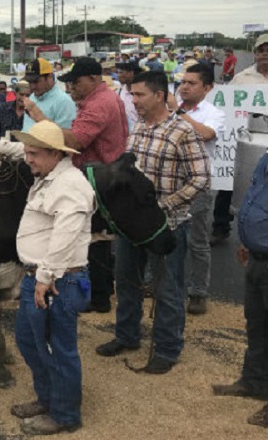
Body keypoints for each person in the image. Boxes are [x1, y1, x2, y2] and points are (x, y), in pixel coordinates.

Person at [0, 120, 94, 435]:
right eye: (27, 152)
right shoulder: (49, 171)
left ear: (55, 153)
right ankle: (48, 398)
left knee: (56, 348)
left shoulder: (71, 185)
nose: (27, 159)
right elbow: (18, 149)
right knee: (29, 340)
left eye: (34, 154)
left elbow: (65, 237)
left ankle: (65, 415)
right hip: (39, 277)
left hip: (57, 281)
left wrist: (45, 277)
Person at [95, 71, 210, 374]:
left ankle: (167, 348)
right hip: (132, 227)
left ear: (159, 95)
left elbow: (201, 178)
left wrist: (163, 206)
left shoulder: (183, 131)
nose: (133, 100)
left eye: (139, 95)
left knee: (167, 289)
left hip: (167, 226)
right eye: (131, 95)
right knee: (127, 282)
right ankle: (127, 336)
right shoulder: (138, 129)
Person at [32, 57, 128, 313]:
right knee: (98, 238)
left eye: (76, 82)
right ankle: (102, 292)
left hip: (97, 175)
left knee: (92, 238)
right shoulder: (103, 99)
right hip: (102, 173)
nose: (72, 87)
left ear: (94, 79)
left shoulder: (99, 104)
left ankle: (98, 298)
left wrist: (43, 124)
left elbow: (75, 141)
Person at [211, 150, 268, 428]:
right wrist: (248, 239)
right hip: (258, 257)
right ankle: (254, 381)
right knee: (256, 324)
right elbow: (255, 200)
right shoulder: (265, 159)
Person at [172, 63, 225, 315]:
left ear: (208, 87)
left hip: (198, 184)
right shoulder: (172, 110)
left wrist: (179, 115)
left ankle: (198, 292)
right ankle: (164, 285)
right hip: (171, 183)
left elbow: (204, 134)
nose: (184, 87)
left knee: (197, 241)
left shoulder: (213, 112)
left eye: (191, 83)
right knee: (169, 236)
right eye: (183, 82)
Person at [212, 34, 268, 246]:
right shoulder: (242, 78)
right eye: (261, 50)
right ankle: (220, 226)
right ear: (255, 53)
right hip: (245, 139)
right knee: (229, 182)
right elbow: (226, 108)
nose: (265, 54)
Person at [21, 58, 77, 133]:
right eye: (30, 82)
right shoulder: (32, 97)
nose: (32, 86)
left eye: (36, 81)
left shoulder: (63, 102)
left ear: (49, 77)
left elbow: (67, 137)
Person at [116, 60, 142, 130]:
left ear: (131, 73)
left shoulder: (142, 93)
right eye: (118, 72)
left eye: (121, 72)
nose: (118, 75)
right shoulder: (119, 92)